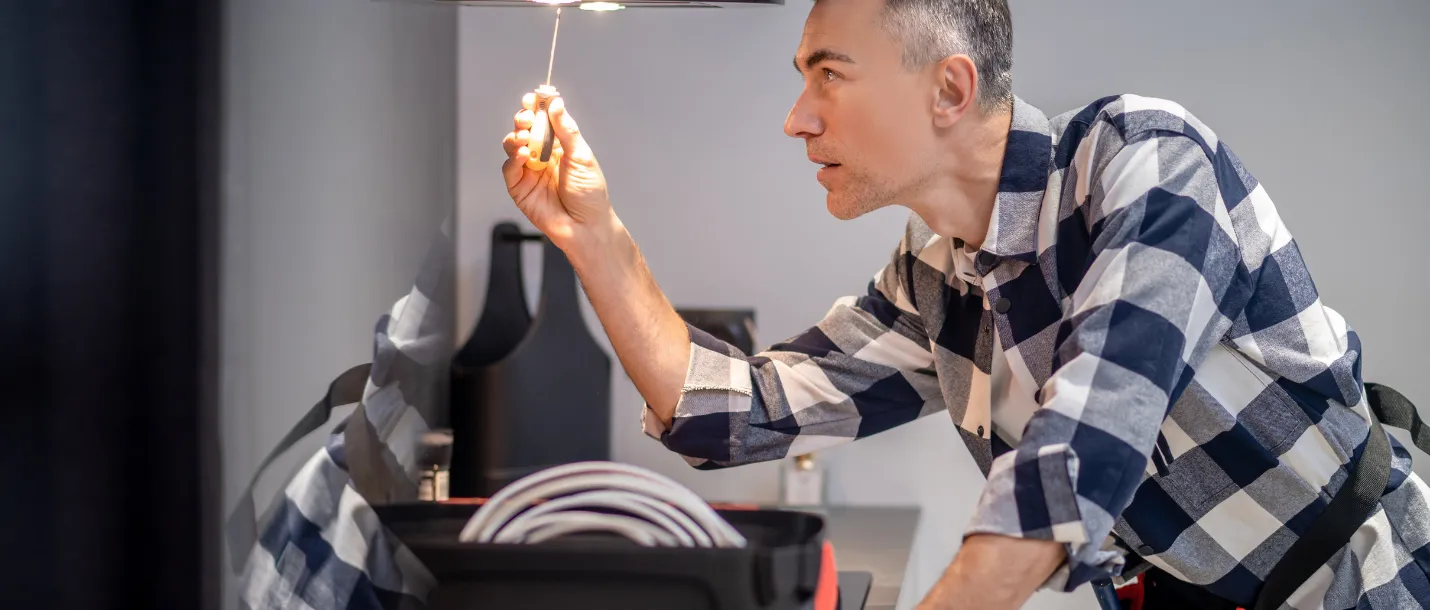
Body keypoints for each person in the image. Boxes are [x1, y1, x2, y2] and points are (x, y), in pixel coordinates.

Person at [498, 0, 1430, 608]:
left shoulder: (1148, 161)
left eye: (829, 73)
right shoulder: (937, 275)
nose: (798, 115)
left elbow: (1085, 444)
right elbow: (730, 410)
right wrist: (593, 233)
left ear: (951, 87)